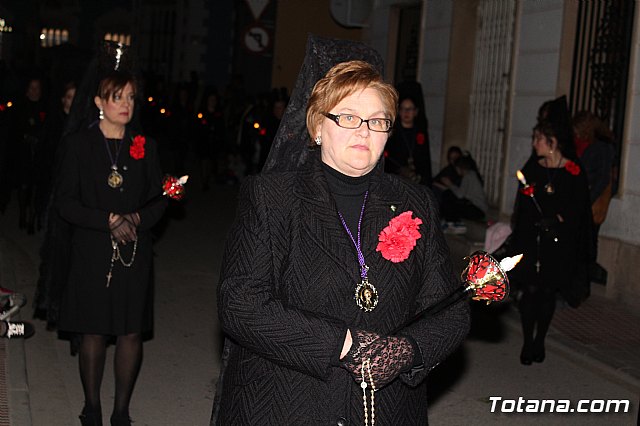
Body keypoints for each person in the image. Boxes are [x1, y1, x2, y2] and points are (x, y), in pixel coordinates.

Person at [211, 41, 469, 425]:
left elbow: (450, 310)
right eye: (348, 117)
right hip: (288, 403)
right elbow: (240, 304)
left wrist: (409, 350)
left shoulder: (416, 202)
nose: (364, 131)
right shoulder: (271, 198)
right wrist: (342, 344)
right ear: (317, 127)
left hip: (386, 408)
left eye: (378, 120)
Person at [54, 43, 166, 426]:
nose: (126, 104)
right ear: (100, 100)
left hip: (134, 251)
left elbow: (159, 200)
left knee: (131, 331)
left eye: (131, 97)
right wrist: (107, 219)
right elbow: (65, 203)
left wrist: (135, 216)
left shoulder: (145, 147)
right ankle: (93, 408)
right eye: (118, 97)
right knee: (95, 332)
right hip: (92, 251)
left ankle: (121, 412)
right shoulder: (79, 145)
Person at [509, 101, 591, 366]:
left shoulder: (572, 171)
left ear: (552, 142)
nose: (535, 144)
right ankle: (526, 341)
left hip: (557, 243)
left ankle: (539, 340)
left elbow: (578, 207)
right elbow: (523, 205)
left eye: (538, 139)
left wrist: (557, 219)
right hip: (533, 242)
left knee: (546, 293)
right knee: (530, 291)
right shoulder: (534, 168)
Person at [573, 111, 615, 284]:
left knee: (588, 241)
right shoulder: (591, 145)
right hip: (585, 197)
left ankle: (584, 279)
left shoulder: (602, 147)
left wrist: (588, 199)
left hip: (592, 201)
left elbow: (603, 178)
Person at [384, 94, 432, 185]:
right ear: (399, 111)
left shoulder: (420, 132)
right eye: (403, 109)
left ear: (415, 112)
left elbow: (424, 158)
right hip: (395, 179)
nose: (406, 112)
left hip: (415, 179)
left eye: (409, 109)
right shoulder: (392, 133)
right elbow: (387, 158)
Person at [434, 154, 488, 226]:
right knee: (448, 196)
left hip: (477, 210)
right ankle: (446, 221)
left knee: (448, 198)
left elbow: (460, 195)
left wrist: (450, 184)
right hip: (474, 207)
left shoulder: (468, 176)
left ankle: (451, 223)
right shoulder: (470, 175)